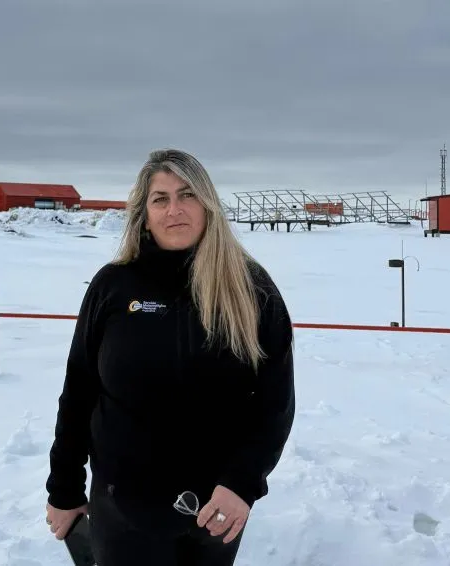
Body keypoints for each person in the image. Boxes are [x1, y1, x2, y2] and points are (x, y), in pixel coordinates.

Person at [44, 148, 296, 566]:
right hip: (121, 503)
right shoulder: (113, 286)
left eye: (187, 195)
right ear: (144, 213)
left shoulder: (251, 287)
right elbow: (78, 392)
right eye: (160, 198)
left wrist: (241, 484)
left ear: (208, 204)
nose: (174, 210)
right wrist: (64, 489)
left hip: (216, 507)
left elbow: (274, 402)